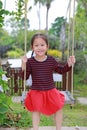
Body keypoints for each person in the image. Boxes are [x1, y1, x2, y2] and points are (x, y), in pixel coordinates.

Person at [21, 33, 75, 130]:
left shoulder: (51, 60)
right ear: (32, 47)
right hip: (36, 91)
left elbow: (61, 70)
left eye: (42, 45)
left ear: (47, 46)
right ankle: (35, 128)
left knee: (58, 108)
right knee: (36, 110)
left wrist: (69, 64)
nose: (39, 48)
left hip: (50, 91)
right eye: (36, 45)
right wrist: (23, 65)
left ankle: (58, 129)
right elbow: (24, 77)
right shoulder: (30, 61)